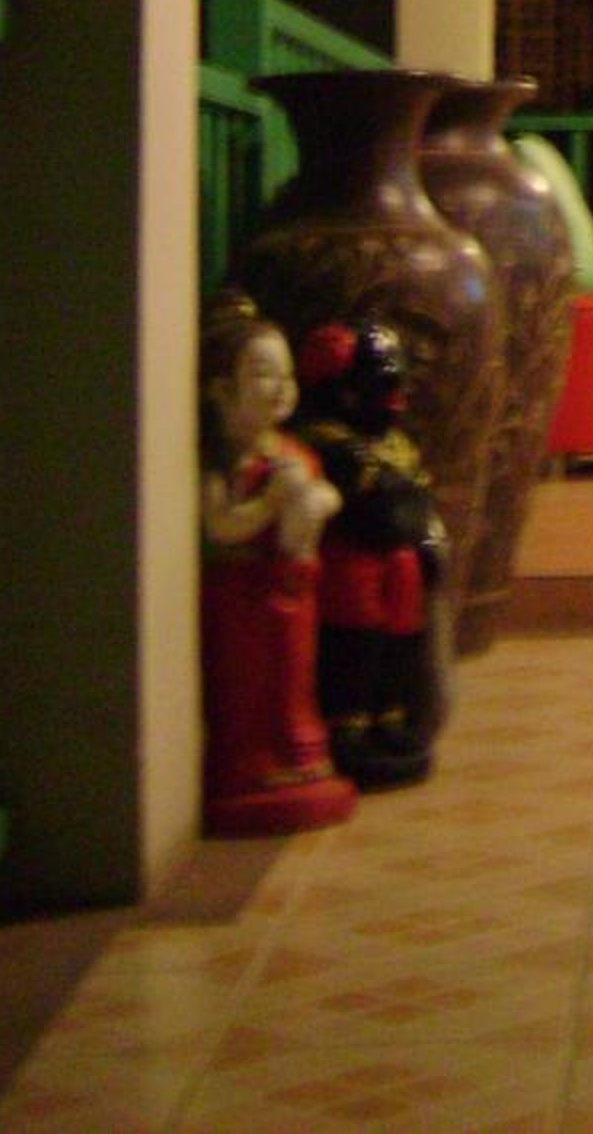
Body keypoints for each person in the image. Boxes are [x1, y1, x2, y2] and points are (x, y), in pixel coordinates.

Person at [197, 293, 357, 836]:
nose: (281, 387)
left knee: (293, 677)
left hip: (292, 592)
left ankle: (298, 757)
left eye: (286, 374)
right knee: (249, 686)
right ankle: (254, 765)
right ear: (221, 390)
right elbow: (220, 525)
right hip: (242, 594)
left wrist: (317, 501)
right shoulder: (225, 464)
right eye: (264, 374)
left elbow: (321, 494)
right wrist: (271, 502)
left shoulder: (289, 452)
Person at [293, 319, 450, 791]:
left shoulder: (396, 445)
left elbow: (415, 497)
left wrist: (425, 537)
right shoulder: (328, 444)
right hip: (351, 565)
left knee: (401, 644)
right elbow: (373, 502)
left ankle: (391, 716)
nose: (395, 398)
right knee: (354, 645)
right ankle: (350, 725)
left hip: (399, 566)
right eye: (383, 386)